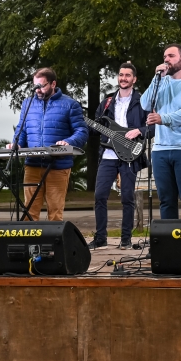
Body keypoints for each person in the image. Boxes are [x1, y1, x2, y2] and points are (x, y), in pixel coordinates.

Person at [88, 63, 152, 250]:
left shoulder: (143, 101)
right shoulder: (107, 102)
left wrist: (138, 131)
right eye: (121, 74)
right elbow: (96, 127)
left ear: (134, 79)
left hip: (130, 155)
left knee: (127, 198)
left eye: (128, 75)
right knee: (100, 195)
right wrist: (79, 124)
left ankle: (126, 238)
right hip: (108, 155)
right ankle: (100, 238)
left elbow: (153, 127)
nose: (123, 78)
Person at [140, 43, 181, 219]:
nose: (166, 60)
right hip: (161, 150)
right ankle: (170, 244)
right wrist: (157, 78)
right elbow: (145, 104)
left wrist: (163, 119)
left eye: (171, 56)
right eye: (164, 57)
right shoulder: (161, 82)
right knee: (166, 200)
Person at [12, 67, 88, 221]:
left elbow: (82, 131)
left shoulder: (70, 104)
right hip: (32, 164)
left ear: (53, 84)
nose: (37, 90)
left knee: (55, 212)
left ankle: (52, 244)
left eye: (42, 86)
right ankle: (29, 244)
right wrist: (16, 144)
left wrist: (68, 142)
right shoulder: (28, 103)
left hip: (58, 166)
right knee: (29, 212)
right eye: (35, 86)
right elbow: (22, 129)